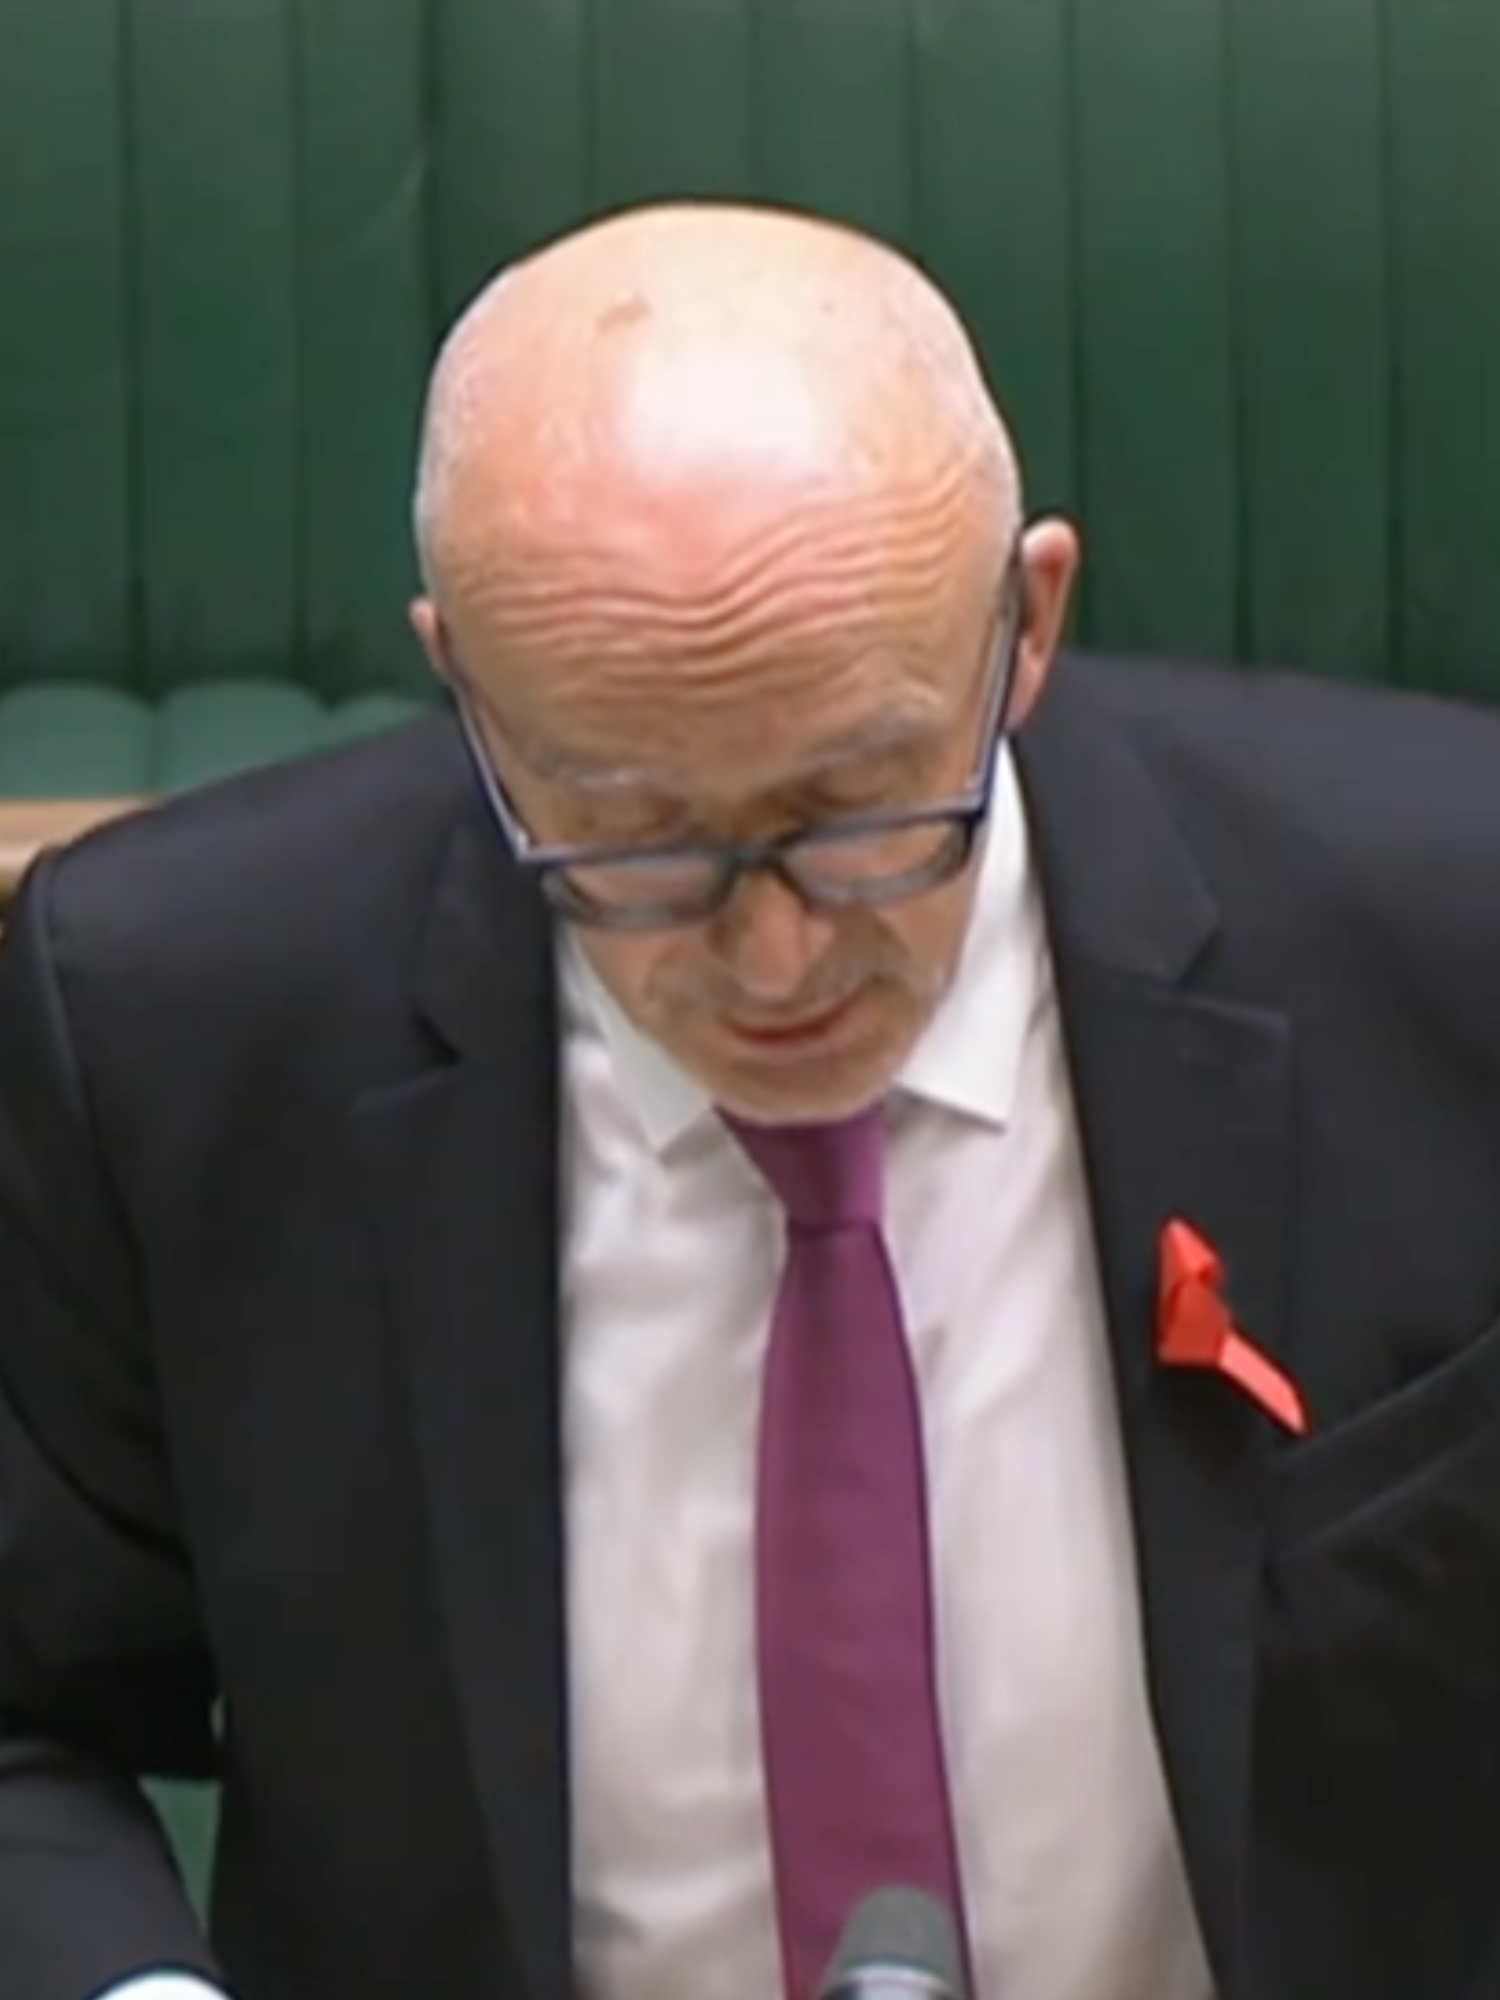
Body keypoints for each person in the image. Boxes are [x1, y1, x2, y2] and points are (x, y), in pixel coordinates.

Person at [1, 200, 1499, 2000]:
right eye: (632, 837)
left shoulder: (1445, 925)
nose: (775, 958)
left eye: (864, 815)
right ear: (468, 690)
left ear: (1024, 625)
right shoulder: (172, 1018)